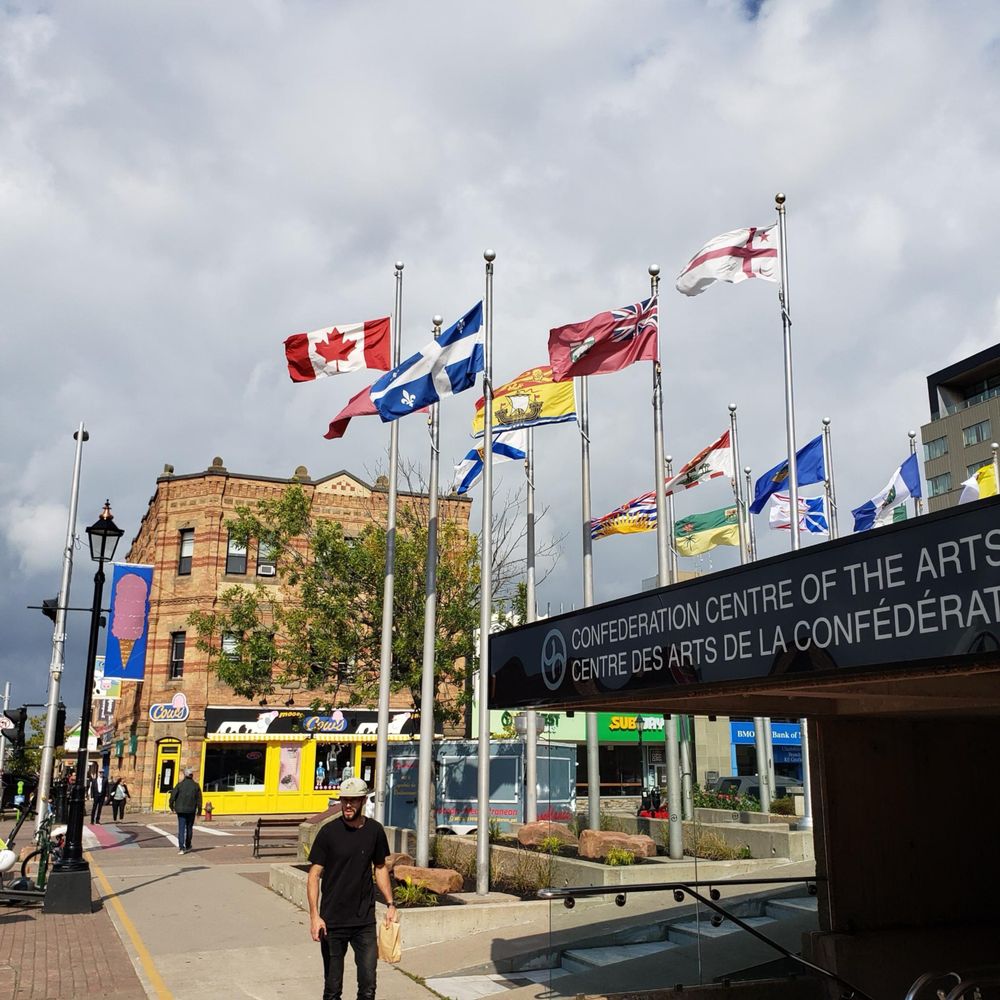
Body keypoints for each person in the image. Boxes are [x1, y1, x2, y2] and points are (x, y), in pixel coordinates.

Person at [307, 776, 396, 1000]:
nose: (347, 805)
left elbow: (380, 868)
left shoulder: (374, 831)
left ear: (364, 801)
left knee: (368, 986)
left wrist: (390, 903)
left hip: (364, 921)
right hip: (332, 922)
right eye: (344, 800)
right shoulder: (328, 832)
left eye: (353, 800)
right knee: (333, 989)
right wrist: (315, 916)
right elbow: (314, 875)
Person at [168, 766, 202, 855]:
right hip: (191, 810)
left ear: (185, 775)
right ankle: (188, 845)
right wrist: (199, 811)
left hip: (181, 810)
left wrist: (171, 806)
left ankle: (181, 848)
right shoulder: (196, 786)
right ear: (192, 775)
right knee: (189, 828)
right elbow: (199, 799)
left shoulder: (180, 785)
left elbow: (172, 796)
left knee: (181, 828)